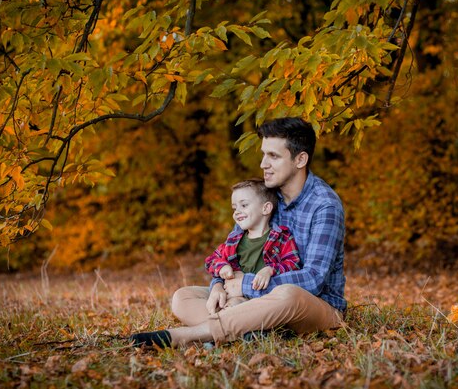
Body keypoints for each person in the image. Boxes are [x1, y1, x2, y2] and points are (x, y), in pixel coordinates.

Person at [131, 117, 346, 348]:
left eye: (273, 156)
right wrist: (217, 285)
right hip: (251, 300)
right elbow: (231, 253)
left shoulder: (324, 205)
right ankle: (251, 332)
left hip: (314, 306)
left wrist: (245, 285)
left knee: (288, 294)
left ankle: (188, 335)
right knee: (183, 297)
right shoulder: (263, 198)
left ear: (300, 159)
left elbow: (314, 279)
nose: (263, 164)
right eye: (263, 154)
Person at [204, 178, 301, 308]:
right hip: (235, 294)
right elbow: (211, 260)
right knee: (185, 298)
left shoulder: (281, 237)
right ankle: (226, 320)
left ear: (266, 208)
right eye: (234, 208)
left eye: (244, 205)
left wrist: (270, 270)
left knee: (235, 305)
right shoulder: (234, 240)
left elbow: (293, 263)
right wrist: (222, 266)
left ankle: (225, 321)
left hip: (265, 298)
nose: (237, 212)